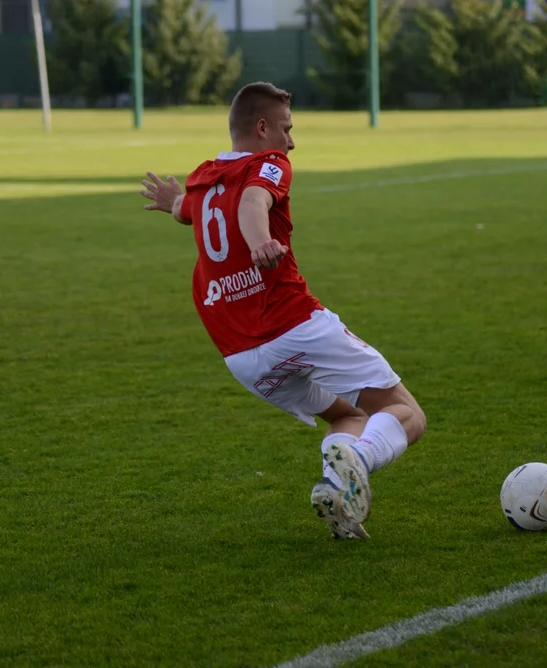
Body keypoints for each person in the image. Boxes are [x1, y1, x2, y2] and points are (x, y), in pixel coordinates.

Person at [138, 81, 426, 539]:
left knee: (347, 418)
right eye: (286, 129)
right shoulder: (270, 165)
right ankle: (361, 462)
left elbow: (186, 210)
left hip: (241, 357)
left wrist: (172, 200)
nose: (291, 142)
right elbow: (254, 201)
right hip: (293, 325)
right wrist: (259, 242)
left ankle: (338, 496)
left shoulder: (205, 178)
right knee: (404, 411)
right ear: (261, 127)